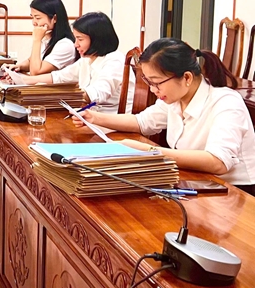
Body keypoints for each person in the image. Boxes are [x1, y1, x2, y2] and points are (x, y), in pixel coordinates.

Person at [75, 38, 255, 191]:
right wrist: (94, 117)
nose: (153, 90)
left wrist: (148, 151)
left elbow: (218, 162)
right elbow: (142, 122)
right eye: (149, 82)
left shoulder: (226, 103)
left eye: (157, 83)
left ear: (186, 78)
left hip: (234, 191)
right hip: (196, 180)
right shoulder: (176, 98)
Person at [7, 12, 132, 114]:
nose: (75, 44)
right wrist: (22, 80)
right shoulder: (87, 59)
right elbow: (60, 76)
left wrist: (54, 95)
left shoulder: (114, 60)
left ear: (96, 39)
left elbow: (98, 93)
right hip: (89, 115)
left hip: (111, 121)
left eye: (80, 39)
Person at [6, 0, 77, 75]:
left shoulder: (65, 45)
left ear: (54, 18)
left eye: (38, 18)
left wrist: (37, 40)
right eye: (32, 17)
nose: (34, 22)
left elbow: (35, 72)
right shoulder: (47, 38)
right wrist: (18, 67)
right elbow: (31, 61)